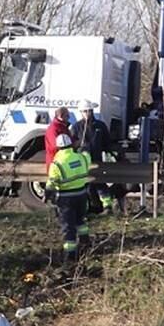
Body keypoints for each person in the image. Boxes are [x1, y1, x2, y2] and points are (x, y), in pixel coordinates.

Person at [44, 133, 91, 263]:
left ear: (58, 148)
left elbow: (52, 182)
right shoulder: (81, 158)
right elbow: (88, 157)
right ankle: (85, 242)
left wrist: (47, 193)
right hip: (81, 194)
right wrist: (85, 149)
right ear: (71, 144)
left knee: (68, 226)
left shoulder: (56, 164)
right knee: (80, 220)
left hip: (65, 198)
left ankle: (70, 253)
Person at [70, 100, 114, 213]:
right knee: (86, 185)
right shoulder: (77, 127)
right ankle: (89, 208)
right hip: (82, 162)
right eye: (84, 111)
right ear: (81, 112)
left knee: (100, 183)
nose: (87, 113)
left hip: (97, 160)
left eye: (89, 111)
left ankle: (107, 206)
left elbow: (107, 142)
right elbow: (72, 145)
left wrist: (110, 154)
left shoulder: (100, 126)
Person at [44, 107, 71, 171]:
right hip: (55, 162)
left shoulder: (63, 127)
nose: (69, 117)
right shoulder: (53, 129)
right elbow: (55, 146)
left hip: (62, 161)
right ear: (61, 116)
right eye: (67, 115)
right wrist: (72, 145)